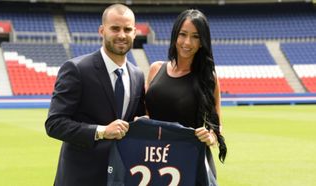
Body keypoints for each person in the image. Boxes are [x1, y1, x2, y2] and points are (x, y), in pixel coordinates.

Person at [45, 4, 145, 186]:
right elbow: (54, 124)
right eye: (115, 28)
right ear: (102, 30)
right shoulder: (76, 69)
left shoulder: (137, 75)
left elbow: (133, 122)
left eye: (127, 29)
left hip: (120, 178)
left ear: (135, 33)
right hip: (81, 178)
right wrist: (102, 131)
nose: (122, 35)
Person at [145, 9, 227, 182]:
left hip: (191, 159)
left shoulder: (208, 77)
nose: (187, 42)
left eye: (195, 37)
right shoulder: (155, 69)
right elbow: (146, 115)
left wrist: (210, 137)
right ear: (175, 35)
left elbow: (216, 123)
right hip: (155, 157)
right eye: (183, 34)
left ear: (202, 42)